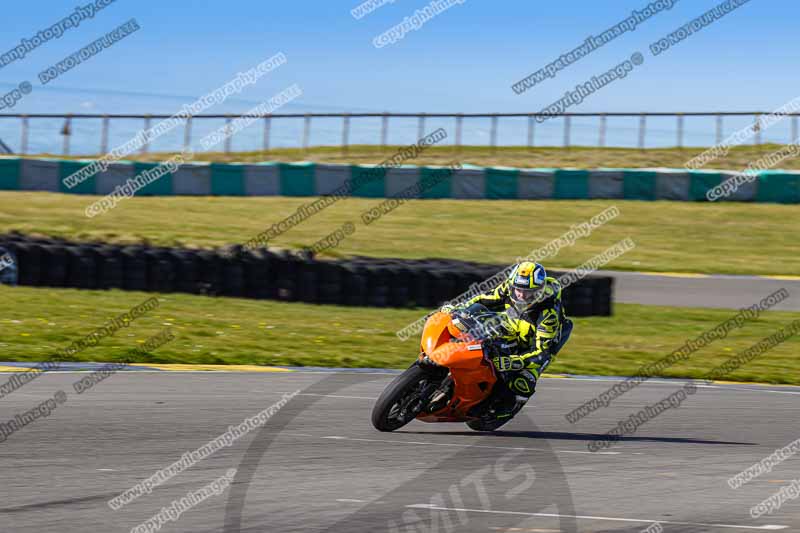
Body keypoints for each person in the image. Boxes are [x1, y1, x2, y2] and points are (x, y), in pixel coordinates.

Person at [444, 261, 573, 419]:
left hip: (537, 345)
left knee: (522, 383)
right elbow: (483, 299)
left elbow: (541, 352)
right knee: (481, 330)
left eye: (527, 292)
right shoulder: (509, 287)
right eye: (518, 289)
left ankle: (502, 408)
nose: (521, 295)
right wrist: (459, 309)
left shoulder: (548, 314)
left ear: (539, 291)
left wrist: (513, 362)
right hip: (512, 325)